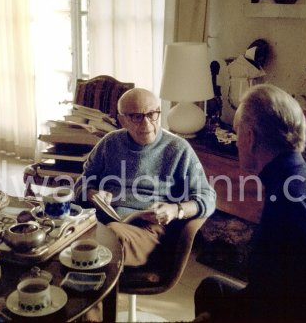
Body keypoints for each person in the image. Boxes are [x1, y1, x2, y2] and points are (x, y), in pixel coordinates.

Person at [194, 84, 306, 321]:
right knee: (212, 290)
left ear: (249, 138)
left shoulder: (290, 203)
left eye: (237, 132)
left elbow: (296, 311)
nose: (236, 141)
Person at [75, 88, 216, 266]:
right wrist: (91, 193)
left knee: (108, 239)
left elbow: (208, 198)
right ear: (122, 120)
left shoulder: (178, 148)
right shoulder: (109, 143)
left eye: (152, 114)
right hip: (101, 218)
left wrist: (176, 210)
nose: (147, 124)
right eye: (136, 116)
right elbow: (82, 181)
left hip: (147, 227)